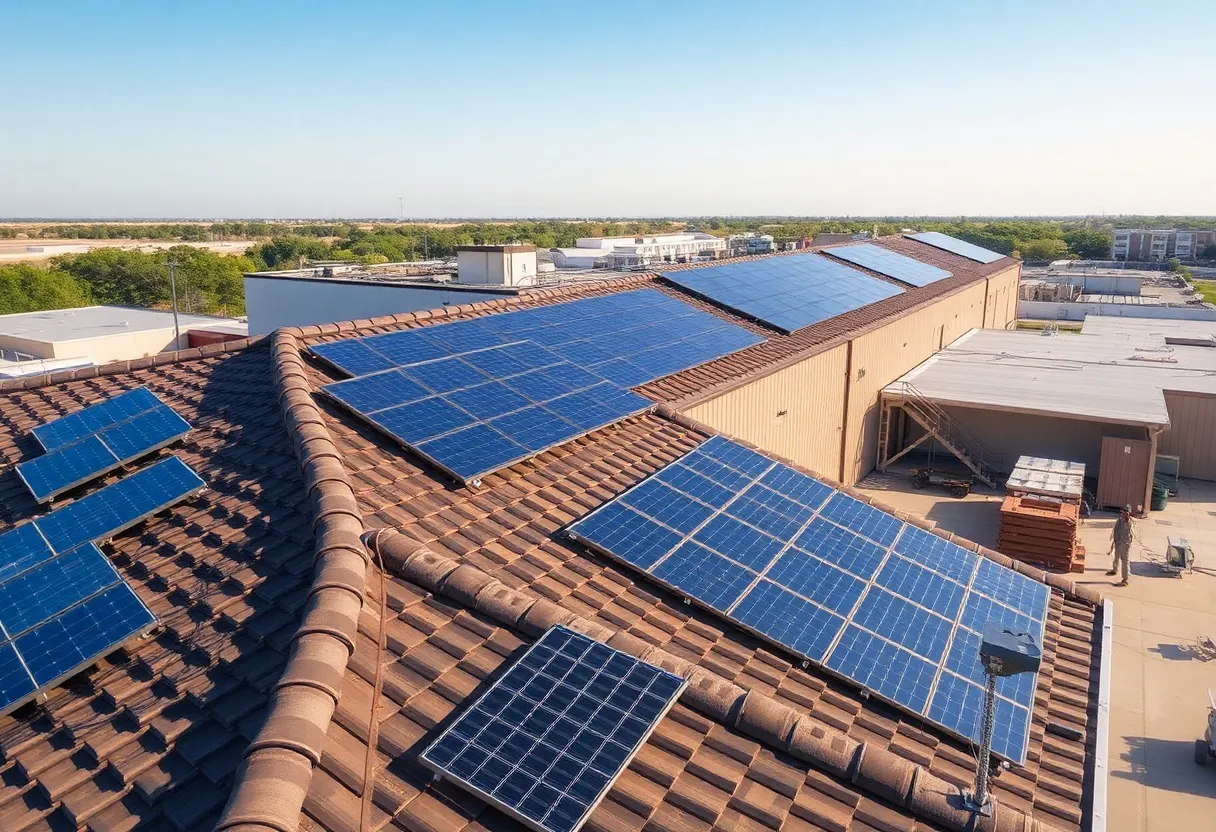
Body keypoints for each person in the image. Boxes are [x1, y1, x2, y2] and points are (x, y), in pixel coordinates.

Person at [1106, 505, 1134, 587]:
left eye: (1124, 512)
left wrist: (1127, 519)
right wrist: (1115, 540)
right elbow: (1116, 530)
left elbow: (1130, 533)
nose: (1122, 514)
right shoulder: (1119, 520)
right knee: (1116, 556)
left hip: (1125, 544)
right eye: (1122, 512)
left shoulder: (1129, 523)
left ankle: (1125, 579)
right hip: (1118, 542)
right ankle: (1115, 569)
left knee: (1125, 561)